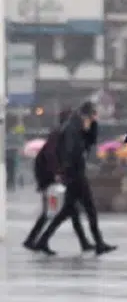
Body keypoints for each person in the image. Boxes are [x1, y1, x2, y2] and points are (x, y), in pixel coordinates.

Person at [29, 103, 115, 256]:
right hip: (75, 175)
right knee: (90, 210)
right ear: (88, 114)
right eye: (94, 116)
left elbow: (90, 142)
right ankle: (99, 243)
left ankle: (42, 240)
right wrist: (66, 173)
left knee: (65, 212)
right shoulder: (72, 129)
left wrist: (93, 125)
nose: (95, 118)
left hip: (75, 174)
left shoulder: (80, 127)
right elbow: (70, 152)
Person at [23, 109, 91, 255]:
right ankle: (36, 240)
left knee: (69, 211)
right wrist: (57, 174)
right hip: (51, 179)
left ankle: (83, 243)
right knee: (55, 211)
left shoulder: (61, 134)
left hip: (52, 178)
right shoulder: (59, 134)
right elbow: (51, 156)